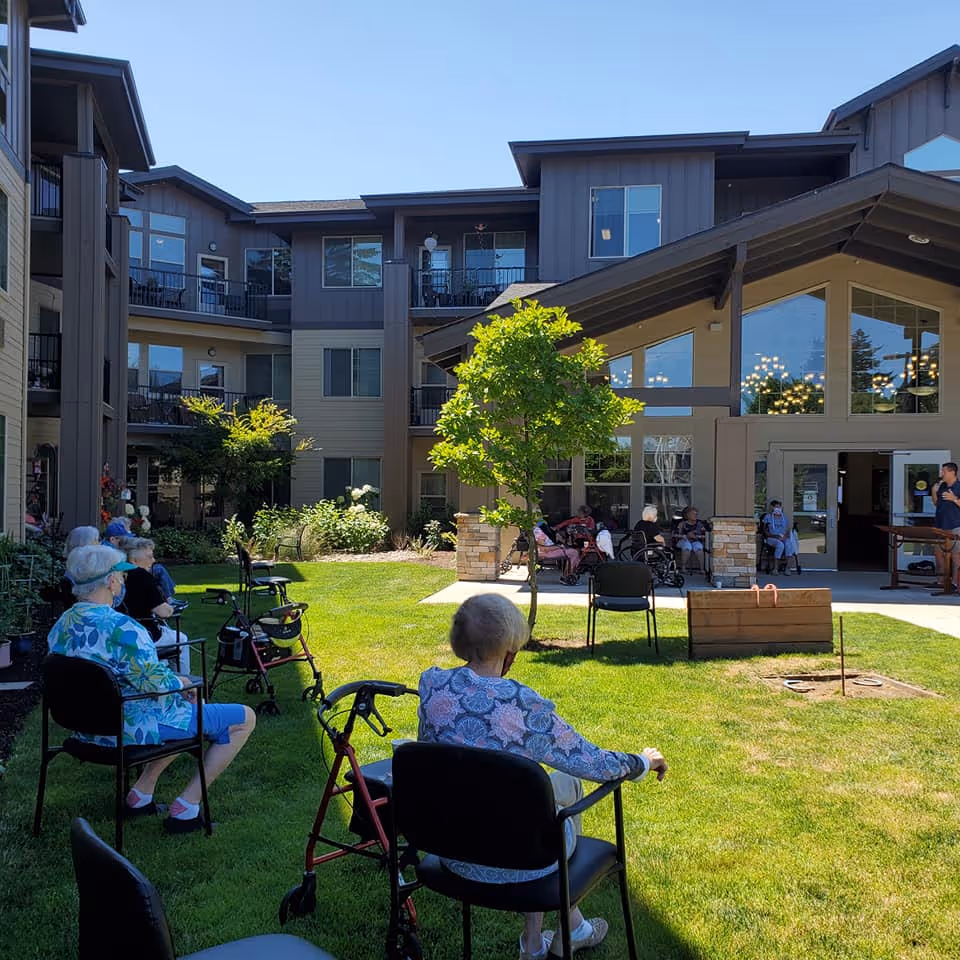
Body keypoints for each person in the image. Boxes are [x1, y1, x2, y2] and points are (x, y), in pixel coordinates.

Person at [418, 594, 667, 960]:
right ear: (510, 651)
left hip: (453, 850)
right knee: (562, 792)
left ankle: (539, 942)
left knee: (543, 794)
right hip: (519, 859)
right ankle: (566, 930)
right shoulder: (520, 702)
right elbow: (591, 760)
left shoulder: (432, 686)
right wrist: (642, 762)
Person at [46, 545, 255, 834]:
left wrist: (175, 688)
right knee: (243, 718)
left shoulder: (61, 625)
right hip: (127, 728)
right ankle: (187, 807)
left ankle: (140, 795)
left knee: (183, 711)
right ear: (110, 581)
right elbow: (156, 685)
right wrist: (185, 683)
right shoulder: (125, 628)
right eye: (121, 577)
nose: (123, 583)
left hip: (84, 729)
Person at [122, 537, 191, 673]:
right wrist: (170, 608)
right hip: (145, 634)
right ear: (134, 560)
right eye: (149, 557)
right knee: (182, 640)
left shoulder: (119, 573)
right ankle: (184, 685)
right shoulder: (142, 576)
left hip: (123, 632)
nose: (153, 561)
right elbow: (163, 612)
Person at [932, 462, 960, 594]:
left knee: (956, 556)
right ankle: (941, 581)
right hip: (940, 526)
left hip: (955, 525)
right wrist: (934, 492)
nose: (941, 474)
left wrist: (955, 499)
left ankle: (954, 583)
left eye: (944, 471)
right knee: (938, 553)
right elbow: (937, 504)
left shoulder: (959, 487)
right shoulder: (942, 486)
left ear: (952, 472)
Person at [761, 500, 797, 575]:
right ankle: (775, 569)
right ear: (772, 508)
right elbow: (765, 531)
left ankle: (787, 568)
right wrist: (776, 536)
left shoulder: (784, 518)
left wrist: (785, 537)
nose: (778, 508)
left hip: (783, 537)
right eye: (776, 507)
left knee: (788, 544)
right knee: (780, 545)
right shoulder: (768, 517)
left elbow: (788, 530)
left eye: (779, 507)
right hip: (772, 538)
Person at [675, 506, 708, 575]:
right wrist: (685, 536)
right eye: (693, 514)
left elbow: (705, 535)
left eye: (696, 514)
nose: (695, 515)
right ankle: (683, 568)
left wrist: (697, 537)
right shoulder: (682, 524)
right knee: (687, 546)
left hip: (695, 540)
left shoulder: (700, 524)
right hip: (683, 540)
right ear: (688, 515)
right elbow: (675, 534)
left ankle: (701, 569)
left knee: (699, 547)